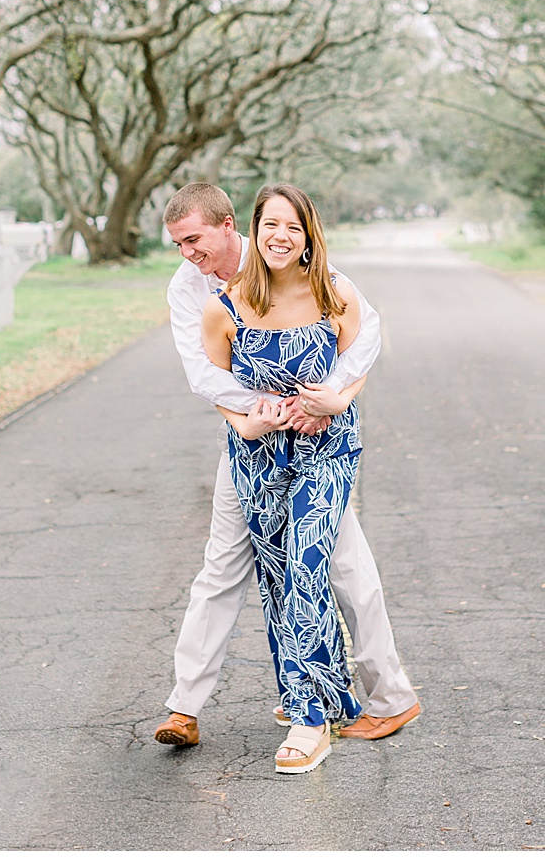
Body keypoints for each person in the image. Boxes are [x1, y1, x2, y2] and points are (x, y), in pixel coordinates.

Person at [153, 181, 420, 758]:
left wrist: (333, 399)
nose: (188, 255)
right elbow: (201, 370)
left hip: (320, 444)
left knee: (337, 569)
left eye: (194, 240)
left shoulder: (293, 259)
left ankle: (373, 697)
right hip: (250, 445)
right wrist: (250, 415)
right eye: (178, 244)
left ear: (230, 227)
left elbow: (356, 341)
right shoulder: (192, 290)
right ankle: (186, 706)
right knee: (227, 567)